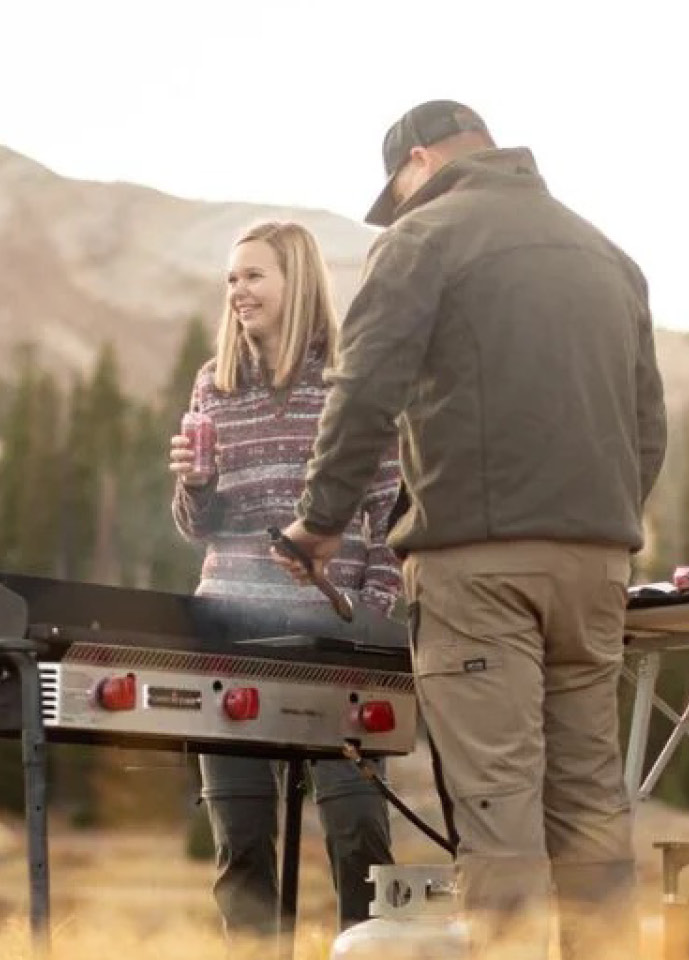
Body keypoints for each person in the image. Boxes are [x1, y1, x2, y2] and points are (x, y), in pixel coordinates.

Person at [273, 100, 667, 960]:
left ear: (418, 159)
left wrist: (321, 523)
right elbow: (648, 430)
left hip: (476, 568)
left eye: (401, 191)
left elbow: (365, 390)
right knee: (593, 804)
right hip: (595, 566)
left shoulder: (423, 239)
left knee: (499, 805)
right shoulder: (609, 256)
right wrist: (597, 524)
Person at [170, 220, 403, 939]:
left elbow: (391, 513)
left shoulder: (350, 381)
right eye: (231, 278)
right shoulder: (215, 383)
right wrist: (197, 487)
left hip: (336, 639)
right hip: (231, 629)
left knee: (358, 831)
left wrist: (369, 614)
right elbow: (198, 526)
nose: (237, 291)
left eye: (253, 275)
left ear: (295, 281)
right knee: (240, 842)